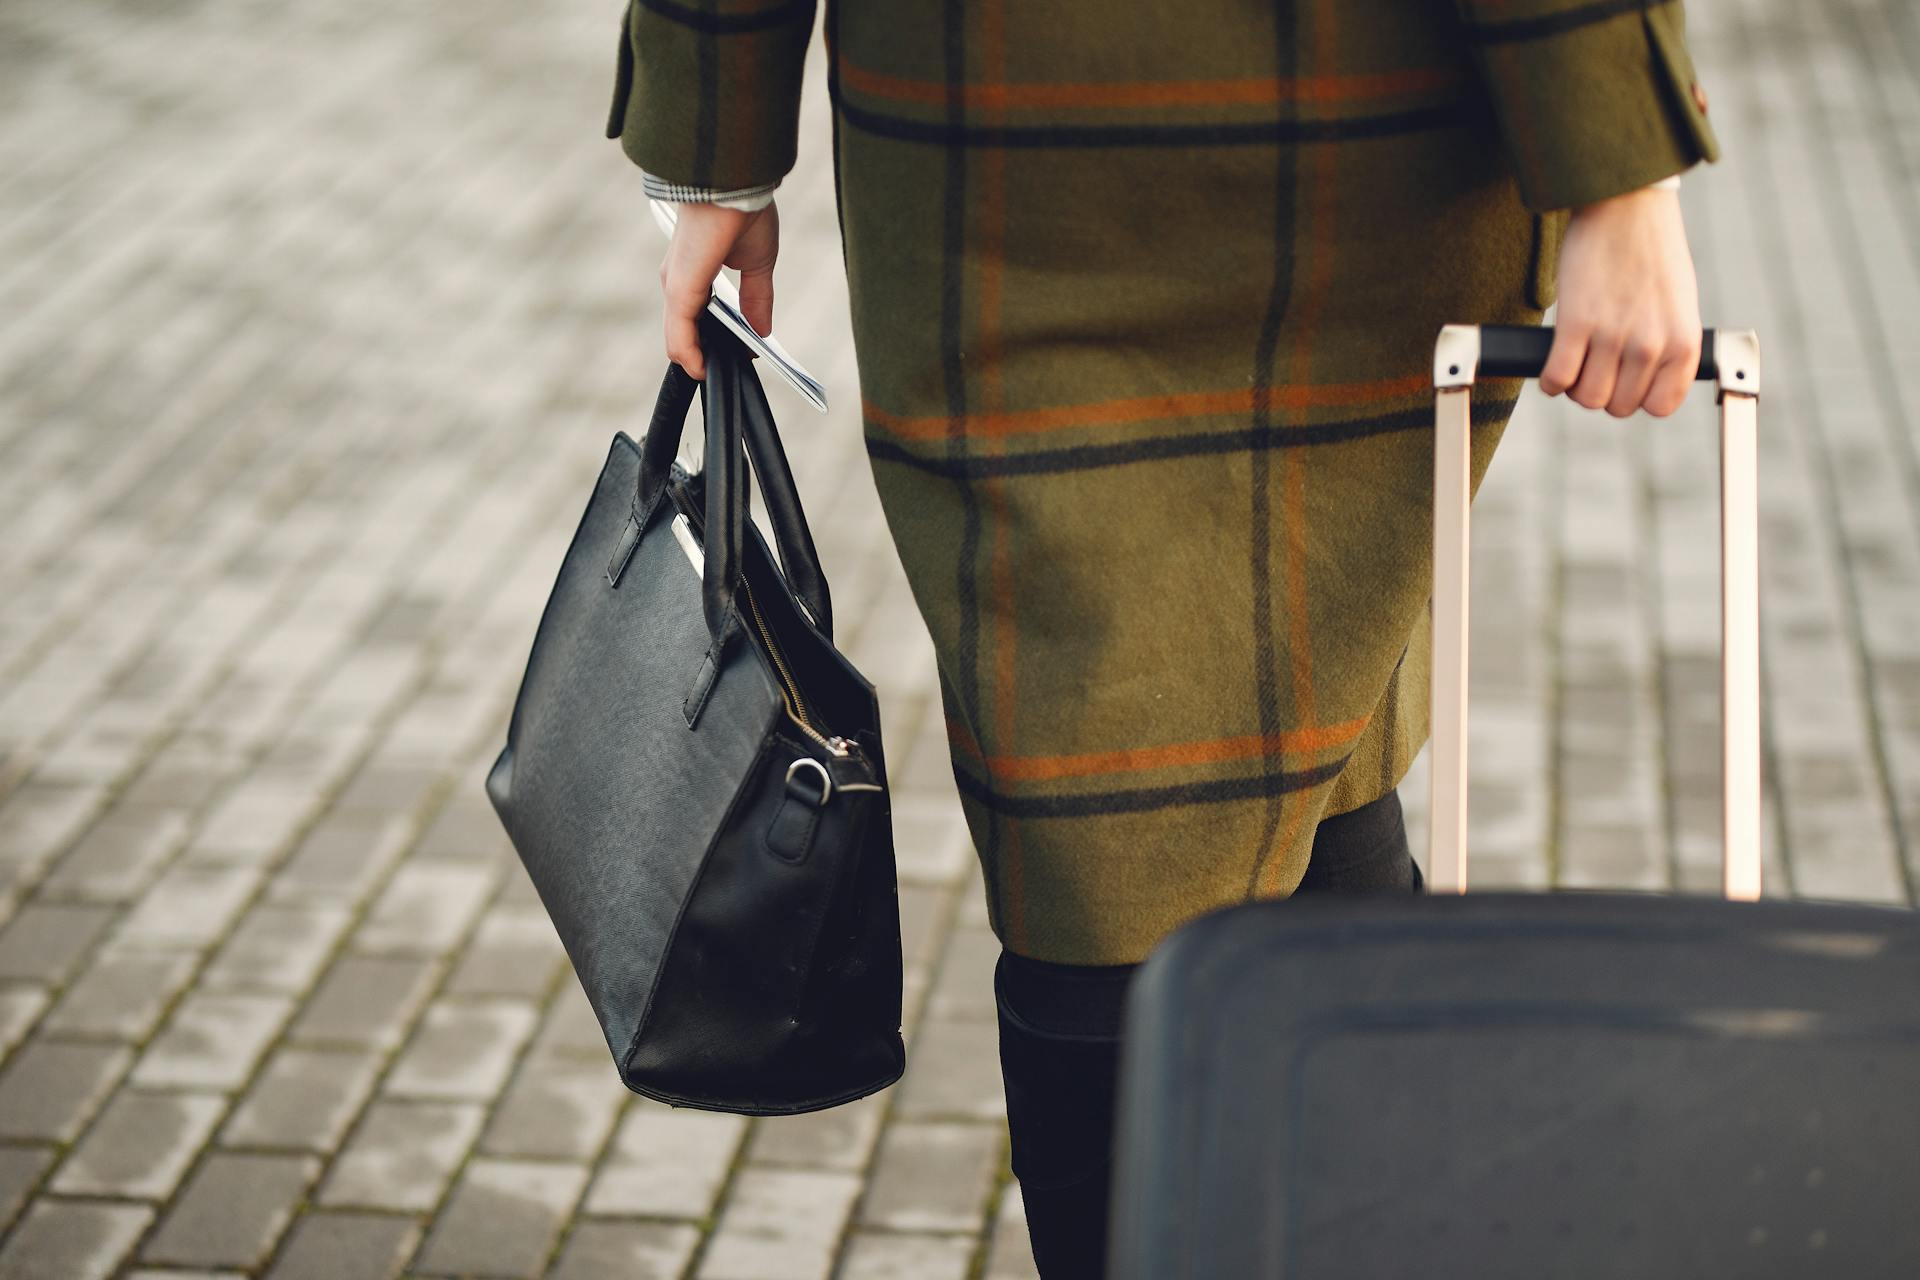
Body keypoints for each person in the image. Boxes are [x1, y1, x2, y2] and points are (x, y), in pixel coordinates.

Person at [607, 1, 1719, 1273]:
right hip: (1005, 167)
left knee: (1325, 732)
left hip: (1359, 160)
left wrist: (1619, 167)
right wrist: (716, 136)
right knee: (1102, 831)